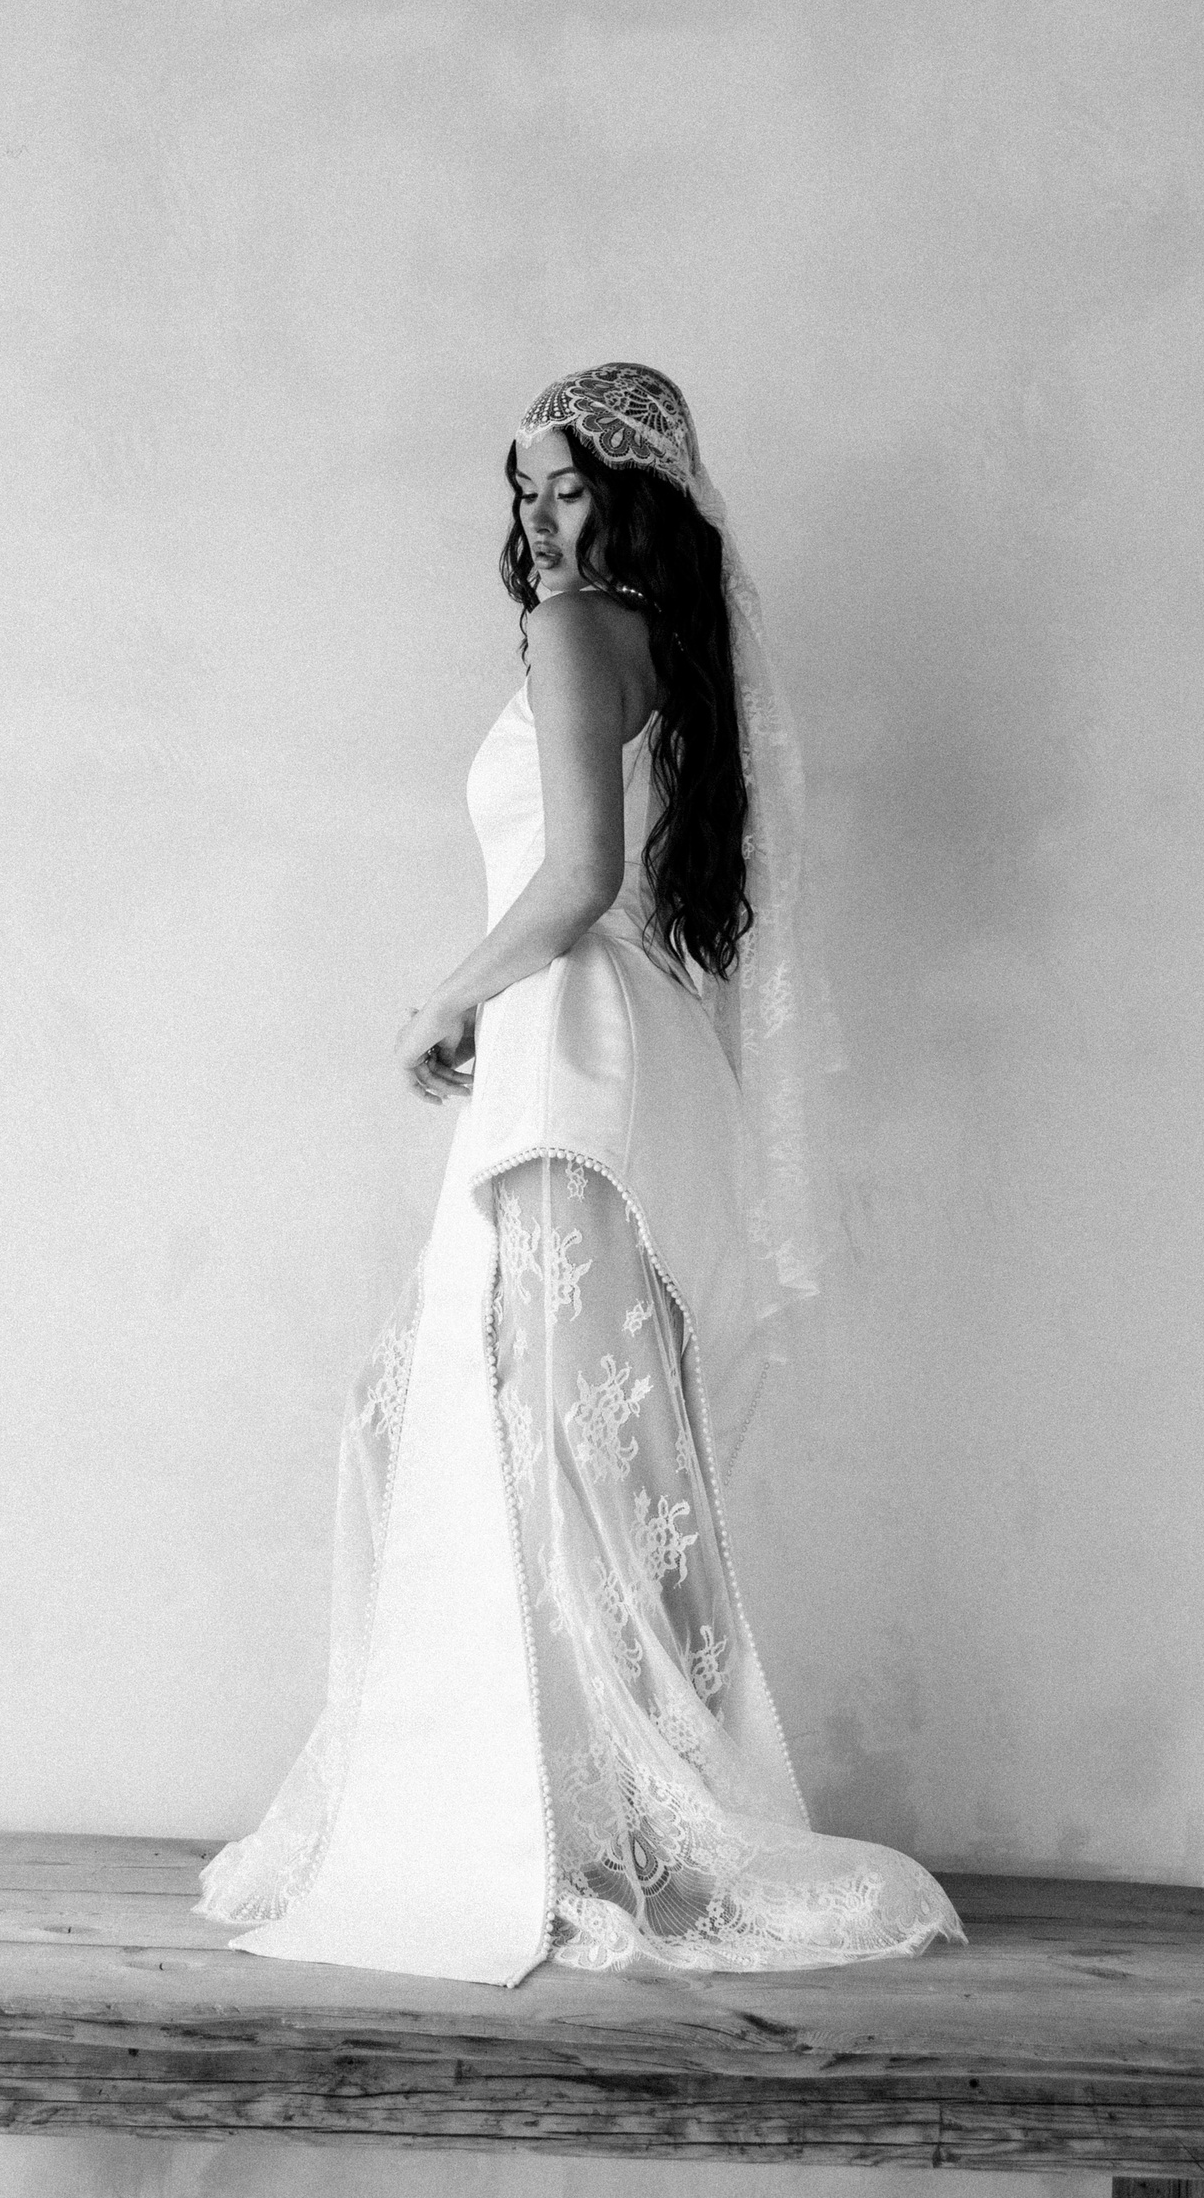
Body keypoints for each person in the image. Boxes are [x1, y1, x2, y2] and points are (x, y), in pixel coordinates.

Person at [196, 362, 962, 1985]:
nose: (541, 523)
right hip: (619, 1053)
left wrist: (443, 998)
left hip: (566, 1055)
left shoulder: (569, 631)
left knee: (541, 1443)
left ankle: (562, 1829)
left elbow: (579, 874)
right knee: (565, 1444)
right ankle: (593, 1815)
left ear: (634, 500)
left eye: (570, 488)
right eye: (524, 491)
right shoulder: (662, 647)